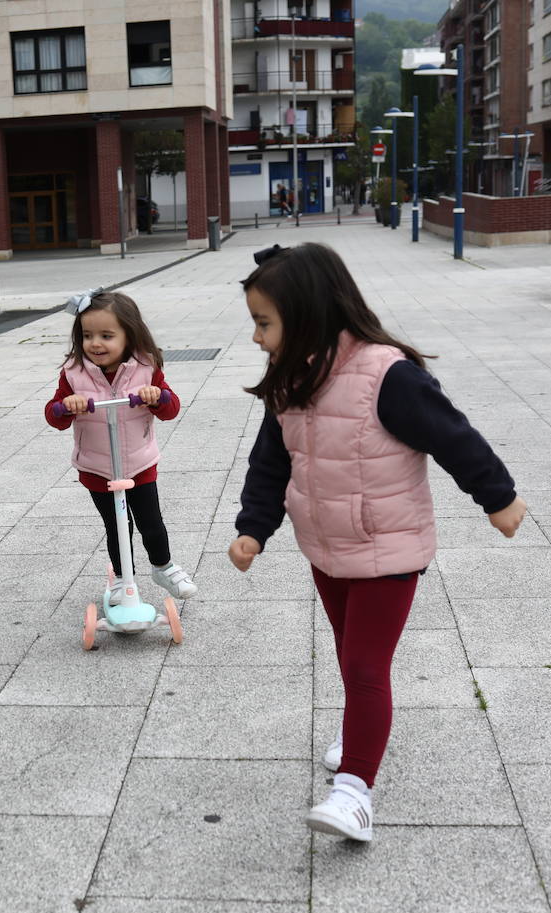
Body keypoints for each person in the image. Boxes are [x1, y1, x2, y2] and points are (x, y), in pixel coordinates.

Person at [229, 243, 526, 843]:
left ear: (307, 314)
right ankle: (359, 728)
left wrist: (499, 498)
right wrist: (253, 528)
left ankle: (354, 793)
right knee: (349, 656)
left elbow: (454, 437)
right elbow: (271, 463)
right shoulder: (290, 381)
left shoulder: (386, 375)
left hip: (388, 549)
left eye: (264, 323)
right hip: (327, 547)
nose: (257, 338)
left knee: (366, 664)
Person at [45, 289, 198, 603]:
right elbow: (54, 416)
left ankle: (163, 566)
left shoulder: (145, 367)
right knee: (117, 526)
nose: (96, 343)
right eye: (87, 335)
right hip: (97, 466)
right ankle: (121, 578)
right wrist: (66, 406)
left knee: (151, 523)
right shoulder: (73, 373)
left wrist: (158, 397)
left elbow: (171, 409)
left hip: (139, 462)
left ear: (129, 335)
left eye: (106, 335)